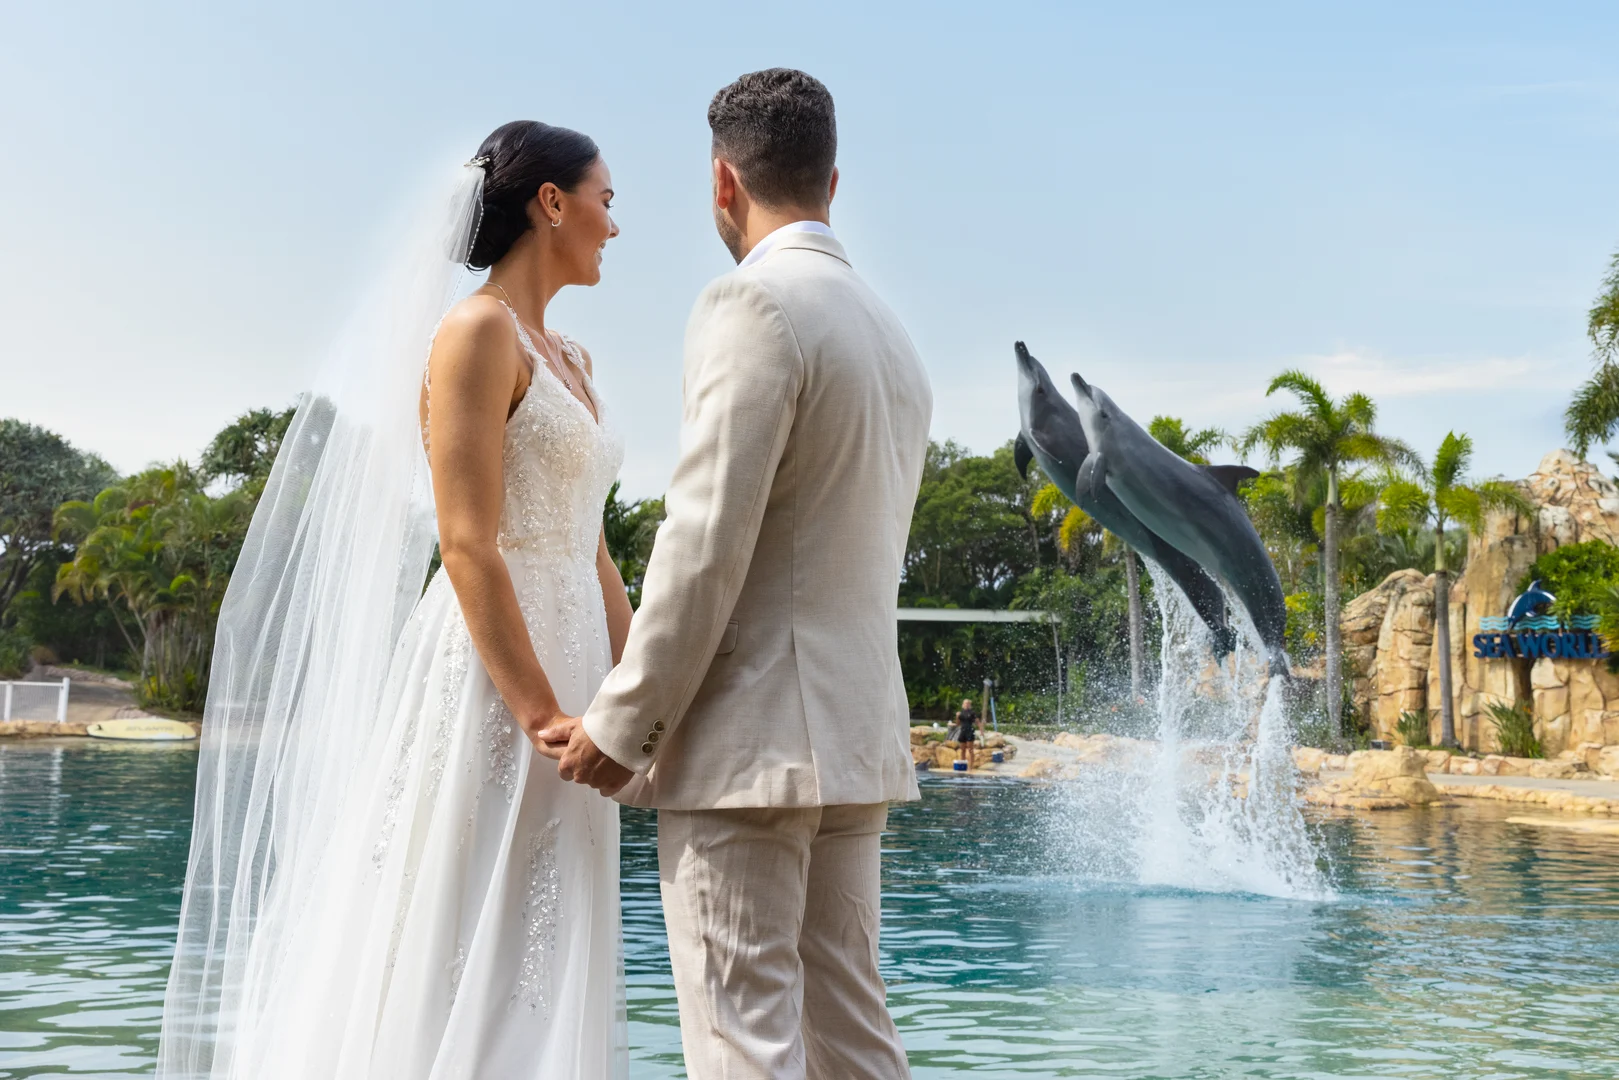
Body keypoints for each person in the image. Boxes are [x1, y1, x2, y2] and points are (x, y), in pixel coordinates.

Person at [157, 121, 630, 1078]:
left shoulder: (574, 357)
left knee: (552, 916)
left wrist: (642, 692)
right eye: (605, 200)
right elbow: (466, 541)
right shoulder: (474, 332)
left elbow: (600, 555)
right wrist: (539, 712)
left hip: (580, 657)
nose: (613, 226)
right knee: (462, 911)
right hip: (497, 674)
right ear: (550, 203)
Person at [540, 68, 932, 1080]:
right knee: (852, 1037)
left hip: (749, 755)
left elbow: (702, 544)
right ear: (831, 181)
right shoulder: (892, 335)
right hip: (852, 747)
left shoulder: (750, 304)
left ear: (721, 180)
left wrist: (620, 725)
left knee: (741, 1042)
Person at [955, 697, 979, 766]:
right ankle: (963, 764)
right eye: (965, 703)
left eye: (968, 703)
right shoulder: (960, 713)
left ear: (970, 705)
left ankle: (971, 766)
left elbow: (977, 722)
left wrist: (981, 731)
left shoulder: (972, 713)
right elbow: (958, 724)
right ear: (963, 704)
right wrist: (957, 717)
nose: (967, 704)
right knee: (962, 750)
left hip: (969, 731)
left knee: (970, 749)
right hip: (963, 731)